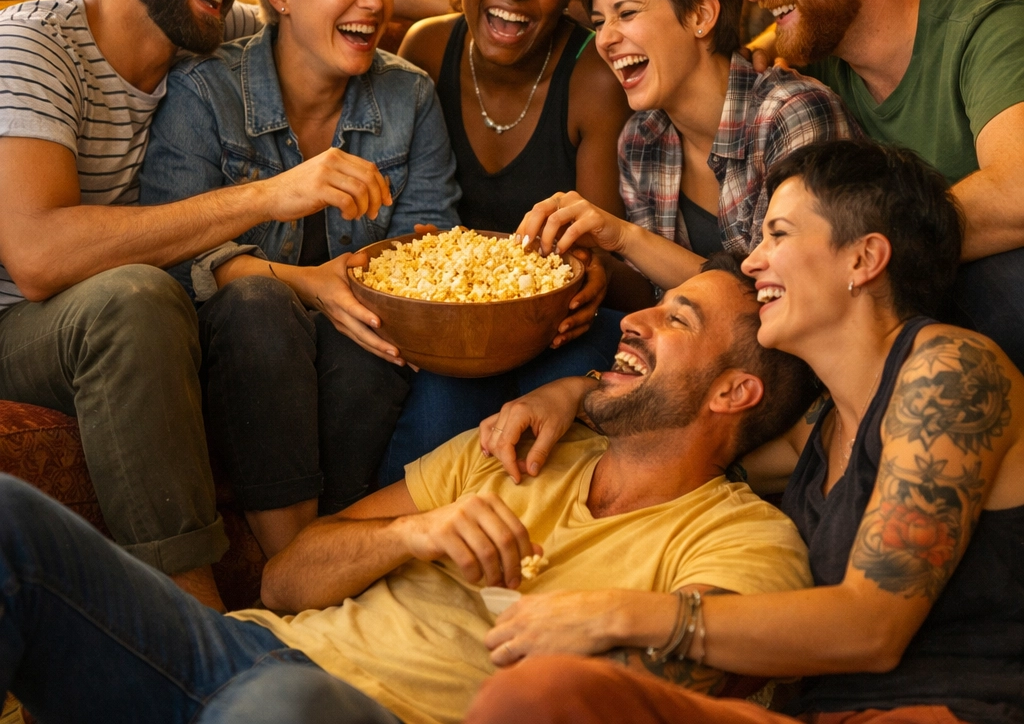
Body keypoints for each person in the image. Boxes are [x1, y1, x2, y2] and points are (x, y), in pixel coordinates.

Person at [0, 257, 819, 724]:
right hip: (233, 650)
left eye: (676, 320)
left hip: (349, 711)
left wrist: (575, 630)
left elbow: (685, 692)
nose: (632, 323)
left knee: (278, 713)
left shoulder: (738, 540)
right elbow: (285, 581)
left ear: (732, 395)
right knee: (10, 522)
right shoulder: (516, 447)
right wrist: (410, 536)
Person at [0, 0, 451, 609]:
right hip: (23, 319)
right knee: (138, 299)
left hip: (160, 313)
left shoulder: (208, 23)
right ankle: (195, 620)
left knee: (210, 305)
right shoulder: (31, 48)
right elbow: (41, 259)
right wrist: (268, 197)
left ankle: (325, 562)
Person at [465, 138, 1024, 724]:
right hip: (819, 713)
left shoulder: (949, 371)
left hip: (960, 706)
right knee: (547, 696)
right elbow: (683, 425)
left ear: (864, 259)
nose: (754, 262)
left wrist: (614, 613)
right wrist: (575, 389)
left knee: (540, 696)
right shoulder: (820, 429)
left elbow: (873, 625)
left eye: (778, 235)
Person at [139, 0, 461, 559]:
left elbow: (433, 244)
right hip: (239, 344)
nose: (373, 3)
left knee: (375, 319)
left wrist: (369, 286)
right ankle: (294, 564)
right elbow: (170, 253)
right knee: (259, 300)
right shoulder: (205, 92)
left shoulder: (408, 97)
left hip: (359, 335)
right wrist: (307, 281)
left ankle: (339, 542)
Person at [376, 0, 635, 479]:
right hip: (452, 327)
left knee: (541, 435)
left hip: (560, 323)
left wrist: (594, 273)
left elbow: (603, 249)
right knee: (436, 429)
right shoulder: (426, 49)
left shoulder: (592, 76)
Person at [743, 0, 1024, 371]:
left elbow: (1019, 190)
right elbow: (750, 61)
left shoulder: (990, 30)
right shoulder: (816, 54)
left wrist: (847, 251)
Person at [516, 0, 857, 296]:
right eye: (598, 22)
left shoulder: (792, 115)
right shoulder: (642, 140)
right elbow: (656, 297)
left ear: (701, 15)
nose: (605, 40)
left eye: (626, 13)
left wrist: (625, 236)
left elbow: (783, 295)